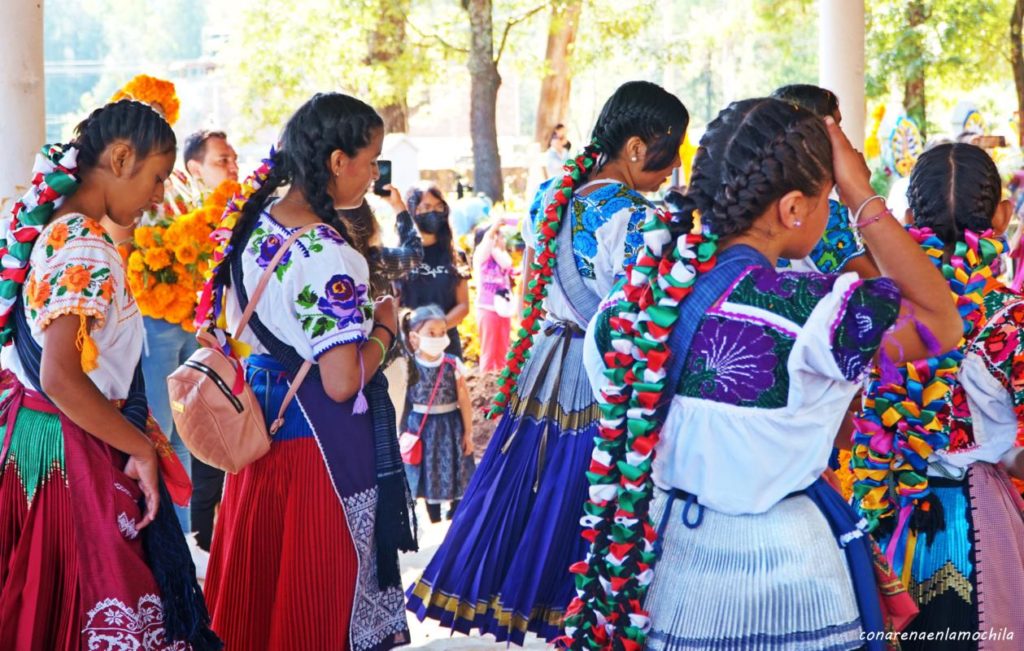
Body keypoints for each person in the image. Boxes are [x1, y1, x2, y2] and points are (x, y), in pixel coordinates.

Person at [570, 97, 962, 650]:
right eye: (827, 198)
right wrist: (861, 194)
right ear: (794, 207)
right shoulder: (813, 311)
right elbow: (940, 321)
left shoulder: (628, 307)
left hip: (663, 570)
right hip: (785, 578)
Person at [406, 80, 689, 645]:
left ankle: (527, 601)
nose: (672, 168)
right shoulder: (639, 219)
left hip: (544, 359)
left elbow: (532, 283)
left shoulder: (549, 195)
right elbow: (643, 316)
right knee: (594, 489)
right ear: (637, 148)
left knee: (536, 478)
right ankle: (582, 608)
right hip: (598, 367)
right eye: (670, 151)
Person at [0, 100, 219, 649]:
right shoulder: (84, 247)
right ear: (121, 158)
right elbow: (63, 378)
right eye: (156, 177)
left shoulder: (57, 229)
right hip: (75, 453)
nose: (158, 196)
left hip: (43, 442)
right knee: (101, 601)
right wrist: (140, 449)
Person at [199, 92, 412, 651]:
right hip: (315, 453)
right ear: (338, 162)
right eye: (370, 160)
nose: (373, 174)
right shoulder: (326, 253)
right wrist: (386, 328)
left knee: (264, 596)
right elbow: (342, 379)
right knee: (315, 599)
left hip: (258, 435)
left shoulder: (254, 224)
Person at [852, 143, 1024, 648]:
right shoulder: (1011, 317)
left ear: (906, 219)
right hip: (982, 519)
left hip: (884, 513)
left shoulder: (873, 306)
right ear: (1003, 215)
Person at [401, 305, 475, 523]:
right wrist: (402, 432)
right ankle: (433, 516)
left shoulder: (452, 363)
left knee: (456, 467)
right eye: (431, 333)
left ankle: (456, 515)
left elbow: (464, 399)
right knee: (428, 471)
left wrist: (468, 433)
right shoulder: (409, 365)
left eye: (442, 332)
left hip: (451, 425)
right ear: (414, 337)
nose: (438, 337)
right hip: (422, 428)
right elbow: (403, 401)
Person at [397, 184, 470, 358]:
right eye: (427, 207)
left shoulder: (456, 255)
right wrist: (417, 333)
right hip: (409, 344)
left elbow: (463, 305)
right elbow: (393, 305)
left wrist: (436, 330)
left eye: (439, 207)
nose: (434, 212)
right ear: (412, 212)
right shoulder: (399, 256)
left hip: (446, 344)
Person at [472, 221, 515, 372]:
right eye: (498, 237)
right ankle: (486, 387)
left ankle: (501, 388)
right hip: (487, 310)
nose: (501, 240)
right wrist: (495, 226)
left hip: (504, 310)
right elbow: (486, 243)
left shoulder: (503, 259)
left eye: (501, 237)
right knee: (488, 352)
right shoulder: (481, 258)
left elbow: (508, 265)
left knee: (502, 352)